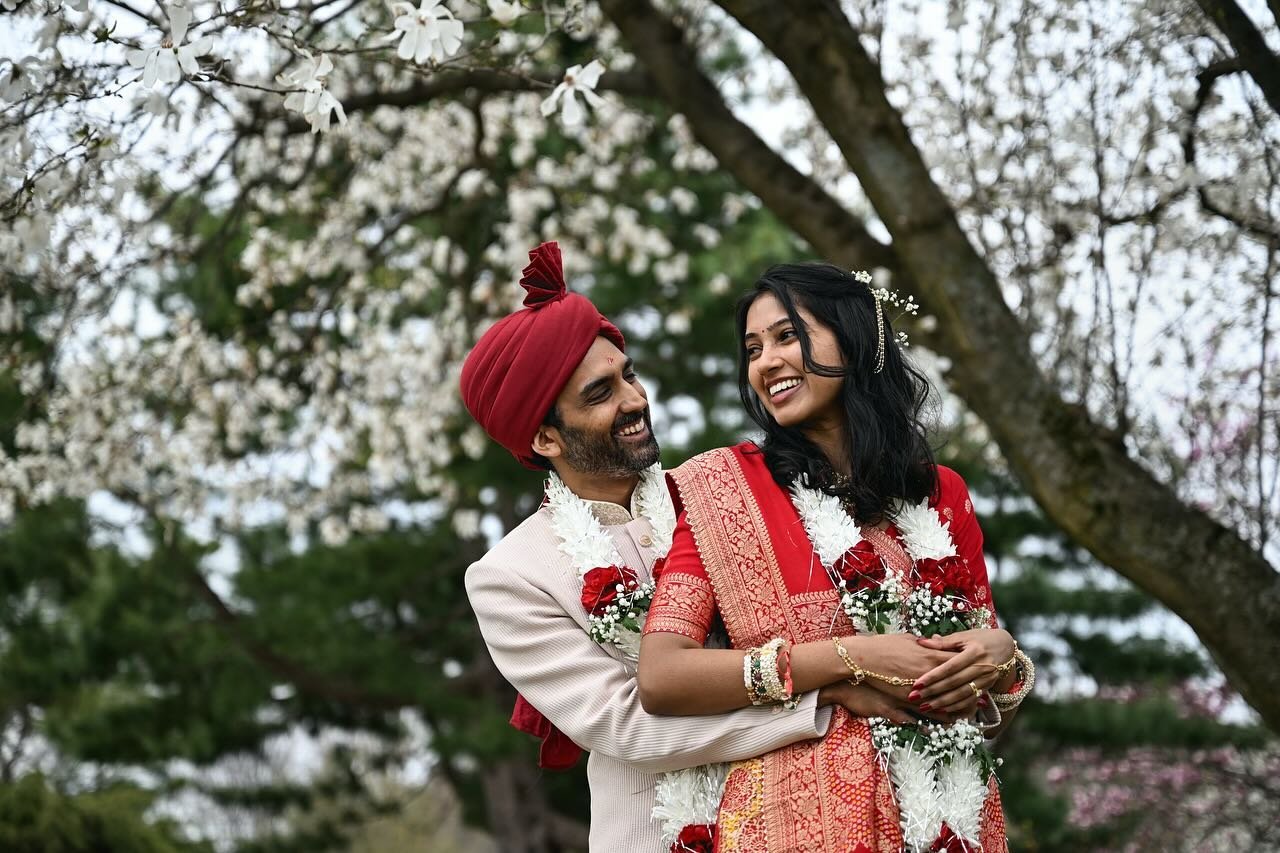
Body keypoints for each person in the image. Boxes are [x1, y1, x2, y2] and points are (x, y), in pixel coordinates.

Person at [462, 243, 890, 852]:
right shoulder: (510, 577)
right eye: (599, 393)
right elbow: (628, 724)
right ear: (544, 438)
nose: (635, 400)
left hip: (802, 817)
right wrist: (820, 698)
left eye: (628, 375)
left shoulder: (723, 491)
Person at [637, 263, 1034, 852]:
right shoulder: (724, 490)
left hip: (948, 815)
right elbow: (663, 676)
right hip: (791, 820)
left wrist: (1001, 658)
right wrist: (849, 659)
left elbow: (985, 687)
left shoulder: (940, 493)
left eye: (787, 335)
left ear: (854, 337)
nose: (765, 362)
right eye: (752, 348)